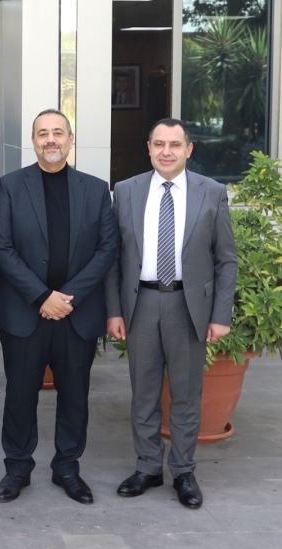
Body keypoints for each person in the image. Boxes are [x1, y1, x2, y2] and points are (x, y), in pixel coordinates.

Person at [0, 108, 117, 505]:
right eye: (42, 133)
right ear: (33, 140)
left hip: (77, 313)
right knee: (20, 393)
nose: (50, 140)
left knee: (75, 394)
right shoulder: (11, 186)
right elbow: (2, 247)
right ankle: (17, 468)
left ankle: (67, 468)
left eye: (58, 132)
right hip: (24, 311)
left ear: (70, 139)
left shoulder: (96, 189)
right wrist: (43, 297)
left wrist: (67, 297)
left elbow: (107, 249)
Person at [106, 118, 237, 509]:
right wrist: (114, 311)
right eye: (159, 144)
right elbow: (113, 258)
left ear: (188, 150)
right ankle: (148, 467)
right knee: (143, 393)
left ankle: (183, 471)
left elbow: (226, 259)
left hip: (189, 306)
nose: (166, 151)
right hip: (141, 303)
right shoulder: (125, 191)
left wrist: (221, 314)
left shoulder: (211, 192)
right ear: (148, 148)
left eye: (175, 144)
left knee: (186, 394)